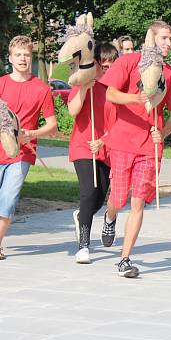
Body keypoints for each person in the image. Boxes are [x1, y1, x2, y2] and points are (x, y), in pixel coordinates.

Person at [99, 20, 171, 278]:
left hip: (149, 147)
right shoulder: (129, 62)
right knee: (118, 199)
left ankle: (124, 259)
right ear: (151, 38)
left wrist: (163, 133)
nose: (169, 43)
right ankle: (110, 217)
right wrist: (134, 98)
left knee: (137, 203)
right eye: (164, 38)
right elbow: (110, 94)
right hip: (123, 141)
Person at [0, 36, 57, 260]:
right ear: (10, 58)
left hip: (22, 153)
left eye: (26, 55)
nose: (23, 59)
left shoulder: (42, 89)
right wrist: (5, 130)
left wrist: (30, 134)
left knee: (9, 197)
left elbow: (52, 126)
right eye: (18, 55)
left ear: (31, 58)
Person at [66, 42, 118, 264]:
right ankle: (84, 245)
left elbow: (120, 123)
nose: (106, 67)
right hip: (83, 146)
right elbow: (72, 111)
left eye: (110, 63)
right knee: (88, 192)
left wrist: (104, 140)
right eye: (102, 63)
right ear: (95, 63)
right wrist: (86, 88)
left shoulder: (117, 89)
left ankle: (81, 216)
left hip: (106, 148)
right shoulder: (83, 83)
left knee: (99, 197)